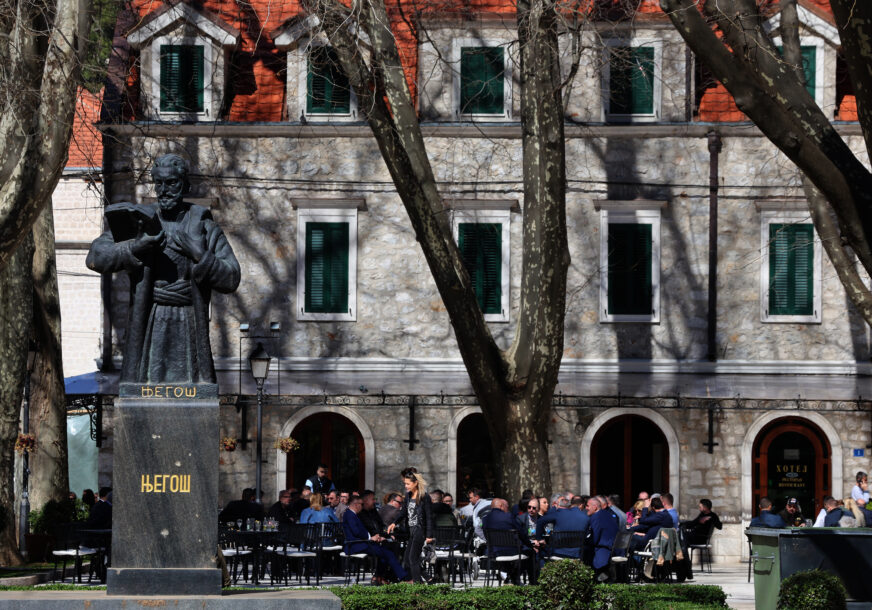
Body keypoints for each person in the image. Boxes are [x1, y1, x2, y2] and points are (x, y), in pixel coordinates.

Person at [86, 154, 240, 384]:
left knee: (190, 386)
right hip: (150, 320)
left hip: (189, 321)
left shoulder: (204, 226)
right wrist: (134, 247)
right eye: (159, 183)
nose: (164, 190)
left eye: (172, 183)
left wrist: (200, 254)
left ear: (185, 185)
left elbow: (232, 277)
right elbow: (95, 257)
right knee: (147, 384)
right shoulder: (140, 222)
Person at [343, 495, 408, 584]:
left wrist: (377, 537)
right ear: (356, 504)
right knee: (388, 553)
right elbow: (356, 532)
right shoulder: (350, 514)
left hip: (361, 543)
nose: (362, 507)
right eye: (361, 504)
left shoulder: (352, 514)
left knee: (385, 552)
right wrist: (371, 538)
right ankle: (404, 578)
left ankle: (378, 577)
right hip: (355, 545)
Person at [386, 467, 435, 584]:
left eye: (408, 484)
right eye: (405, 484)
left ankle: (418, 585)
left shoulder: (424, 497)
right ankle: (428, 579)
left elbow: (429, 517)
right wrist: (394, 523)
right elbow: (403, 512)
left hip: (419, 530)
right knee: (408, 560)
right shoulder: (408, 496)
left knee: (412, 558)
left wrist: (429, 535)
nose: (406, 486)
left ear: (415, 483)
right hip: (411, 530)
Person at [483, 498, 537, 585]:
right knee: (531, 553)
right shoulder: (508, 516)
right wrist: (530, 545)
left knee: (511, 558)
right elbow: (521, 533)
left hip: (494, 552)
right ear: (501, 506)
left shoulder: (485, 519)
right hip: (512, 551)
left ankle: (512, 577)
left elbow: (486, 536)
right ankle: (530, 581)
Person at [534, 495, 590, 559]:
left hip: (557, 553)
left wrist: (539, 538)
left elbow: (540, 521)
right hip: (577, 555)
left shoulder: (559, 513)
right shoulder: (586, 517)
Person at [587, 497, 620, 581]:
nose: (586, 508)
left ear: (594, 507)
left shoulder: (596, 517)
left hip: (604, 550)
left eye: (588, 506)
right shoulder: (608, 514)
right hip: (614, 548)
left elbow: (595, 537)